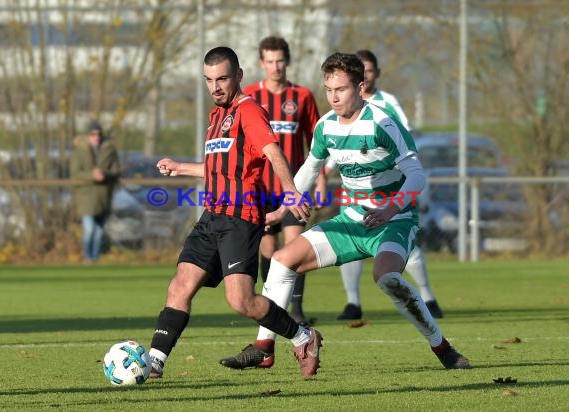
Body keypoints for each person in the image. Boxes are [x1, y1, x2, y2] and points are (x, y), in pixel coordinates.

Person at [219, 52, 470, 372]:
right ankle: (264, 346)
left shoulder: (382, 122)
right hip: (352, 219)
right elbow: (310, 170)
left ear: (360, 87)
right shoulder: (326, 126)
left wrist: (391, 207)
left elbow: (417, 174)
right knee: (282, 262)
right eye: (329, 89)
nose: (334, 97)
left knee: (388, 278)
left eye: (341, 89)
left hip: (393, 220)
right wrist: (285, 207)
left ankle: (442, 347)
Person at [147, 46, 323, 379]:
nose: (215, 86)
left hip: (240, 219)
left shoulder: (249, 110)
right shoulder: (216, 118)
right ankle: (154, 361)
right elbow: (217, 168)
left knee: (241, 301)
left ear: (239, 76)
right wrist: (180, 167)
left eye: (222, 78)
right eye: (209, 80)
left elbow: (273, 153)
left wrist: (290, 191)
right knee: (179, 286)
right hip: (211, 216)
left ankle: (304, 336)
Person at [335, 49, 443, 321]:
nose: (367, 75)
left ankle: (428, 297)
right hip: (356, 187)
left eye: (370, 70)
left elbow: (404, 142)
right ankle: (352, 303)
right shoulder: (341, 108)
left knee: (402, 240)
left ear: (374, 74)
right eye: (363, 70)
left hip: (392, 184)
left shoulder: (387, 103)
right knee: (353, 236)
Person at [242, 36, 321, 326]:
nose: (275, 66)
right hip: (259, 190)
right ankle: (272, 308)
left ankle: (296, 311)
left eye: (280, 60)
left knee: (295, 246)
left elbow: (316, 141)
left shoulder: (302, 96)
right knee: (267, 249)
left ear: (287, 61)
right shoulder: (249, 97)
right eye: (270, 61)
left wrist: (321, 177)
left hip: (294, 188)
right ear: (262, 63)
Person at [70, 120, 120, 262]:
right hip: (85, 195)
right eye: (92, 134)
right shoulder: (79, 151)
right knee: (89, 229)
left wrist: (104, 174)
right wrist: (92, 175)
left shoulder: (109, 150)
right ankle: (88, 257)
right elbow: (75, 172)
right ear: (87, 135)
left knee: (98, 231)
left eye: (98, 134)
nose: (96, 137)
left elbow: (116, 170)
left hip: (103, 195)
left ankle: (95, 259)